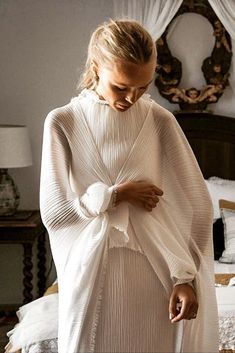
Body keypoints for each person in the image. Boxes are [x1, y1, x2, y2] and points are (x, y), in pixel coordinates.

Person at [38, 19, 218, 353]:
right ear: (96, 68)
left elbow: (197, 206)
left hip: (156, 275)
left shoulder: (160, 121)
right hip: (90, 272)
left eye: (143, 87)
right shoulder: (63, 122)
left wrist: (185, 278)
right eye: (121, 87)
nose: (132, 97)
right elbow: (55, 213)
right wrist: (116, 195)